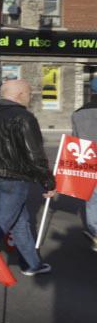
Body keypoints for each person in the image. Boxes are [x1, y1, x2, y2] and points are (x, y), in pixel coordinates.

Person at [0, 79, 55, 280]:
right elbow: (35, 154)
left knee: (19, 221)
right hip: (15, 179)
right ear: (21, 94)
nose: (31, 97)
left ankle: (32, 264)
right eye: (30, 93)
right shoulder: (24, 117)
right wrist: (48, 182)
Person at [71, 78, 97, 251]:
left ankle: (95, 231)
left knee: (93, 199)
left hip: (89, 160)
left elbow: (75, 140)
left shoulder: (78, 114)